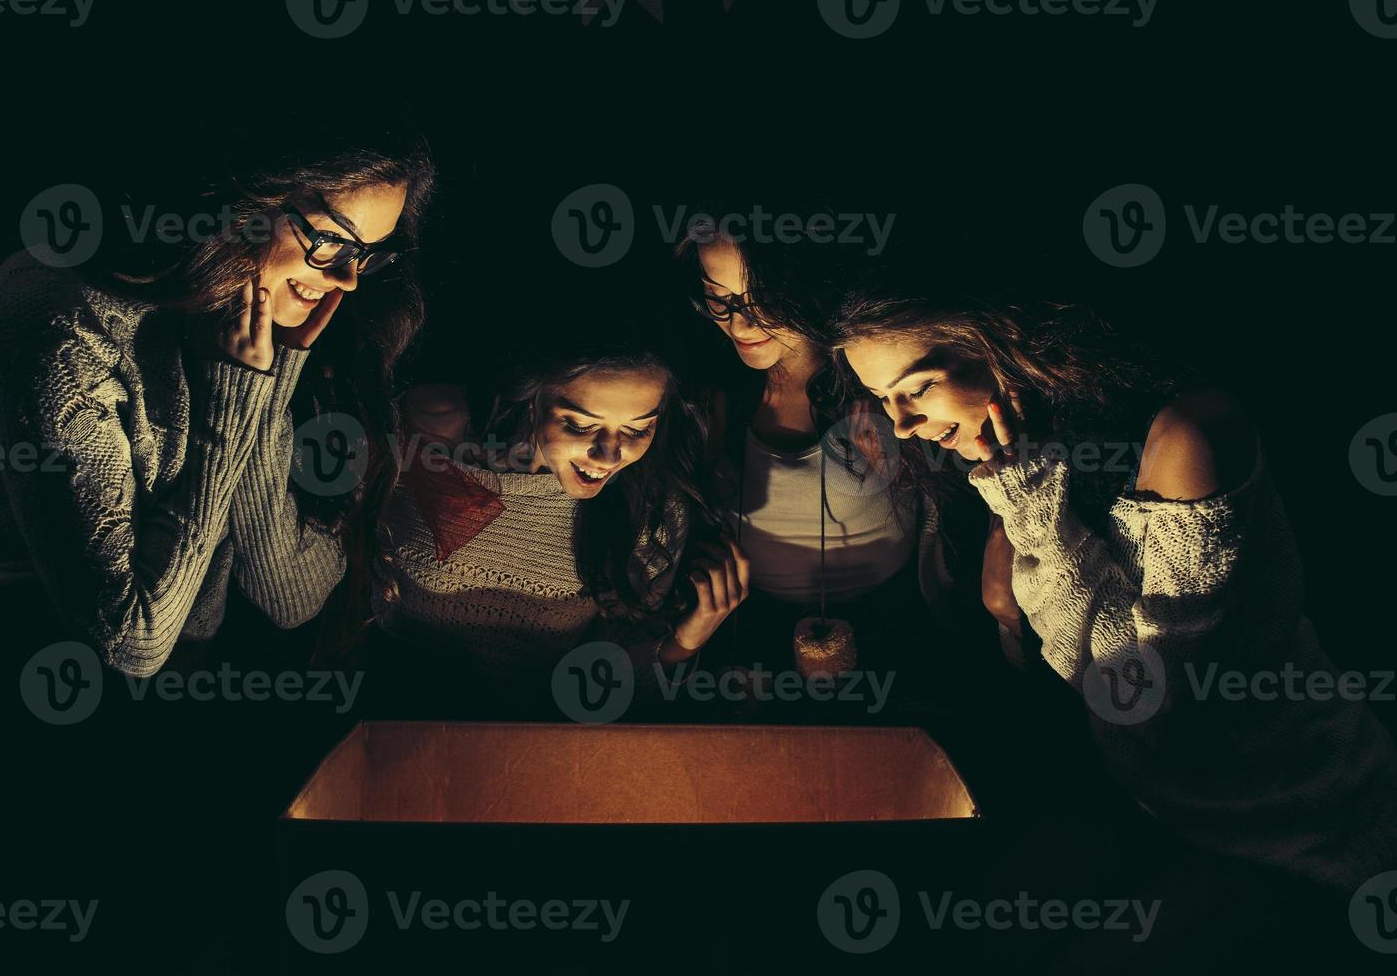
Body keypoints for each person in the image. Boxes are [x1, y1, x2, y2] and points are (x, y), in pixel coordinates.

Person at [833, 289, 1397, 903]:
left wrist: (1024, 507)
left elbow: (1153, 709)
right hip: (1155, 819)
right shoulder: (1026, 449)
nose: (901, 424)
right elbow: (1034, 659)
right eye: (884, 397)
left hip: (1303, 834)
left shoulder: (1185, 435)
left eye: (917, 387)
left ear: (993, 339)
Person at [0, 107, 435, 677]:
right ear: (246, 198)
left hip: (163, 688)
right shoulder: (62, 315)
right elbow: (133, 642)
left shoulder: (246, 325)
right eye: (330, 240)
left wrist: (264, 385)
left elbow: (292, 598)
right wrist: (239, 398)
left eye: (368, 253)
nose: (347, 277)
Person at [367, 297, 748, 718]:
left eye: (638, 429)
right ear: (534, 394)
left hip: (540, 732)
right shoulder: (427, 437)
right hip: (392, 713)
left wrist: (685, 643)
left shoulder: (648, 508)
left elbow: (610, 686)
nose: (608, 455)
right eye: (581, 425)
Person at [673, 212, 988, 714]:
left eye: (764, 300)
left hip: (897, 622)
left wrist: (910, 469)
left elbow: (974, 481)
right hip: (753, 629)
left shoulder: (886, 381)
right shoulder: (708, 397)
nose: (740, 323)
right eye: (720, 300)